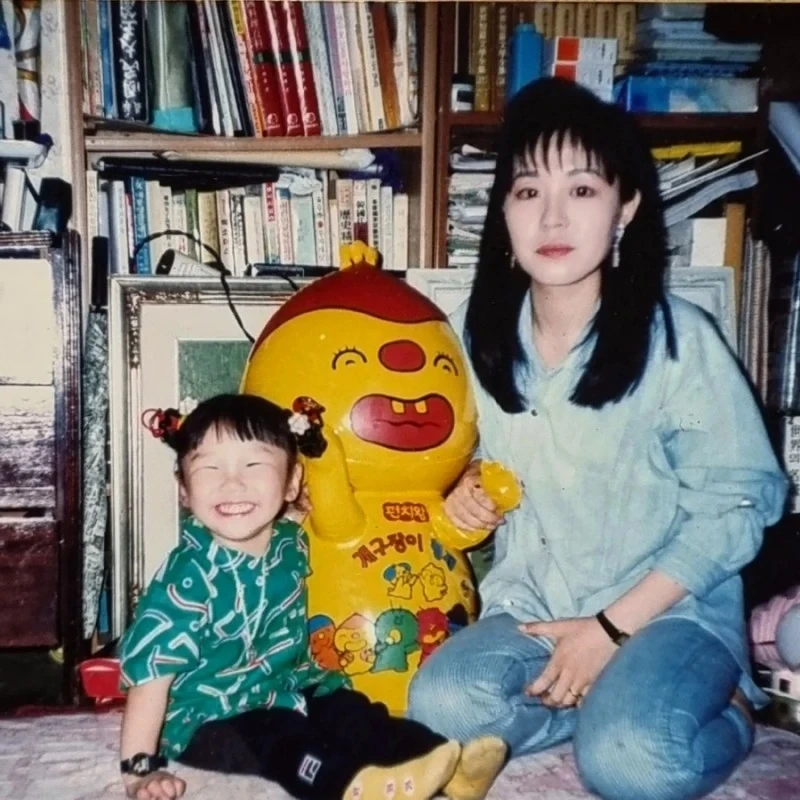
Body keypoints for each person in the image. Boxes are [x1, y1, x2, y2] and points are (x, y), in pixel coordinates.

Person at [407, 77, 789, 800]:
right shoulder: (467, 338)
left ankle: (728, 710)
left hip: (667, 613)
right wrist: (462, 488)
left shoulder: (679, 342)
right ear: (503, 212)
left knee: (632, 764)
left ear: (626, 208)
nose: (552, 216)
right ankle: (590, 703)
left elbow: (738, 507)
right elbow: (449, 460)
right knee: (440, 706)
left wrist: (609, 631)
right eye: (528, 191)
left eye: (582, 190)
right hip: (535, 607)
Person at [119, 394, 507, 800]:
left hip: (283, 686)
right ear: (183, 489)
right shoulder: (186, 581)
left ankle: (445, 764)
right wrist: (139, 771)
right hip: (208, 718)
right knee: (284, 736)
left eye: (254, 465)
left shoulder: (289, 541)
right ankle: (350, 786)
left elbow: (322, 510)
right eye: (209, 468)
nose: (232, 484)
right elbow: (150, 676)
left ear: (291, 482)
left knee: (351, 712)